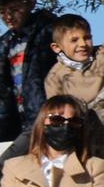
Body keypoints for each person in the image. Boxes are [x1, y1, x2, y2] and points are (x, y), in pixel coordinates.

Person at [0, 0, 57, 145]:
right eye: (2, 11)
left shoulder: (50, 31)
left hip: (51, 117)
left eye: (14, 9)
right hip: (23, 123)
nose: (8, 16)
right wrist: (3, 130)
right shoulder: (4, 44)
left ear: (30, 4)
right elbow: (2, 90)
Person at [42, 14, 104, 142]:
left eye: (87, 38)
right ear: (57, 47)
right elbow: (57, 113)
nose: (82, 44)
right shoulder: (55, 77)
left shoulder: (100, 58)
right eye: (74, 40)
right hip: (84, 133)